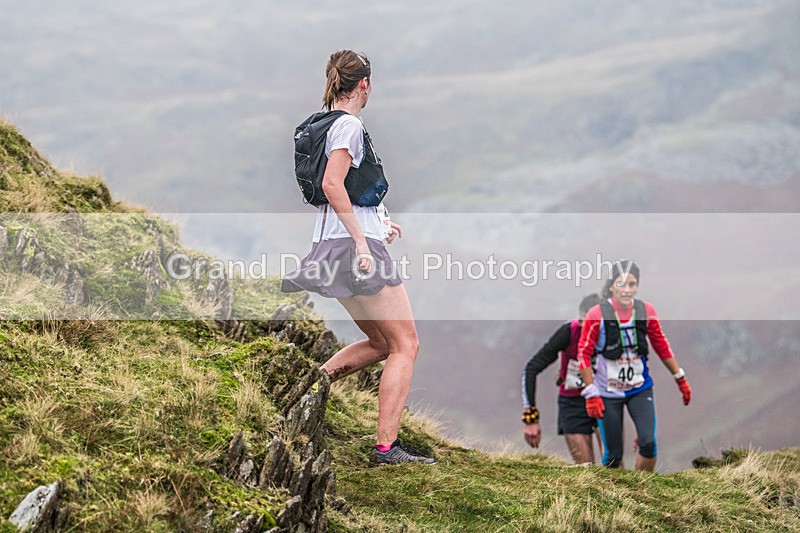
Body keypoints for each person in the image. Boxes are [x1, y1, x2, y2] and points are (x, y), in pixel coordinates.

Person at [282, 50, 434, 466]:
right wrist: (365, 243)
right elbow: (333, 184)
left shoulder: (324, 123)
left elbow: (342, 189)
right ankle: (386, 449)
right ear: (364, 84)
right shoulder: (349, 125)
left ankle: (306, 388)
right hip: (355, 249)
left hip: (332, 245)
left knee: (382, 342)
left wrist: (378, 222)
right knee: (406, 344)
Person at [577, 260, 692, 471]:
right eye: (621, 284)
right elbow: (583, 353)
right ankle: (615, 497)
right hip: (607, 392)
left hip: (639, 388)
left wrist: (680, 378)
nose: (627, 290)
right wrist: (591, 391)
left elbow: (660, 345)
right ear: (612, 286)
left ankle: (643, 490)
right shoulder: (596, 314)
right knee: (613, 455)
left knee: (648, 443)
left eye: (632, 284)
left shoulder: (646, 311)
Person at [521, 294, 603, 464]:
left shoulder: (613, 334)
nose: (586, 331)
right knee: (587, 471)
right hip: (572, 403)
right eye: (583, 324)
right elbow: (531, 369)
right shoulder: (569, 332)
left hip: (605, 400)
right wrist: (531, 419)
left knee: (614, 465)